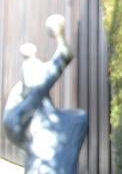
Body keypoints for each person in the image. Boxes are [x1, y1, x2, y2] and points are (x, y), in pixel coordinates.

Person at [3, 15, 88, 173]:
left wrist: (61, 53)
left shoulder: (76, 122)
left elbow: (37, 91)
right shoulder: (16, 118)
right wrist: (61, 53)